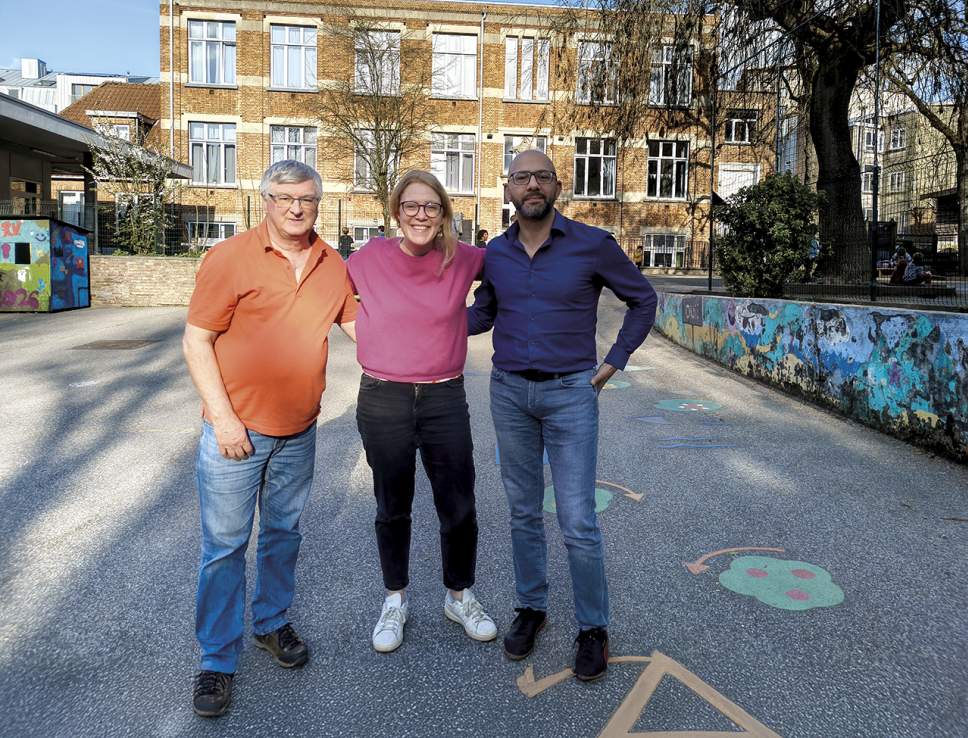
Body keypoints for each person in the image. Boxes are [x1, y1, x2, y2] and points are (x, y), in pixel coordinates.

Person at [468, 150, 657, 682]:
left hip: (571, 393)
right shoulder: (496, 254)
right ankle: (531, 609)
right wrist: (423, 321)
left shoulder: (593, 245)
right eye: (522, 177)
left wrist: (611, 364)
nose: (532, 184)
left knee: (577, 519)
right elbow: (483, 314)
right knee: (523, 510)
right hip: (509, 394)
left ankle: (593, 628)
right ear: (508, 189)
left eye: (542, 176)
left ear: (557, 186)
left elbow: (644, 300)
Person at [182, 160, 357, 718]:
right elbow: (197, 341)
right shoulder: (230, 258)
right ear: (265, 201)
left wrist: (440, 328)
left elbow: (365, 332)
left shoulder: (334, 265)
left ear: (318, 202)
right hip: (236, 434)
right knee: (226, 548)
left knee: (283, 534)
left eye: (305, 197)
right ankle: (215, 660)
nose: (295, 207)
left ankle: (271, 623)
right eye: (283, 197)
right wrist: (223, 417)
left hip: (298, 433)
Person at [347, 169, 497, 654]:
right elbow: (327, 296)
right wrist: (367, 337)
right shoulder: (369, 257)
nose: (420, 215)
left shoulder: (464, 259)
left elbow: (511, 273)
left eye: (431, 206)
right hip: (384, 397)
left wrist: (464, 323)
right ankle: (395, 599)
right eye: (411, 206)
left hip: (443, 397)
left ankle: (459, 595)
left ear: (443, 215)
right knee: (393, 506)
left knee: (459, 504)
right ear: (396, 212)